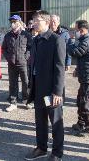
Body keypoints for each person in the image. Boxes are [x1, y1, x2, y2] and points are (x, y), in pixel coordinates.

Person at [25, 10, 65, 161]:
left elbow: (60, 67)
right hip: (38, 89)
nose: (34, 23)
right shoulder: (36, 40)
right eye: (33, 20)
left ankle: (57, 153)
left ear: (47, 23)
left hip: (50, 92)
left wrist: (57, 92)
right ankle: (41, 148)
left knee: (55, 122)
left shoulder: (56, 40)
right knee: (40, 121)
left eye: (37, 20)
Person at [68, 20, 89, 137]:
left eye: (76, 30)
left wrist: (71, 40)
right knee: (80, 100)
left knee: (85, 104)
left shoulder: (87, 42)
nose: (74, 32)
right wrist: (78, 69)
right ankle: (81, 123)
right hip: (87, 77)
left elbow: (75, 52)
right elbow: (84, 58)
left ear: (81, 30)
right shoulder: (84, 40)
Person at [2, 15, 33, 112]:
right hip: (12, 64)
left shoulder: (26, 35)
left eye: (14, 22)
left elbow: (30, 48)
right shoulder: (8, 36)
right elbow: (4, 48)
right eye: (11, 22)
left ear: (19, 23)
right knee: (13, 83)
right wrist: (8, 58)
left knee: (26, 82)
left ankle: (26, 100)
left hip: (23, 63)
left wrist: (25, 57)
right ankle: (13, 102)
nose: (12, 23)